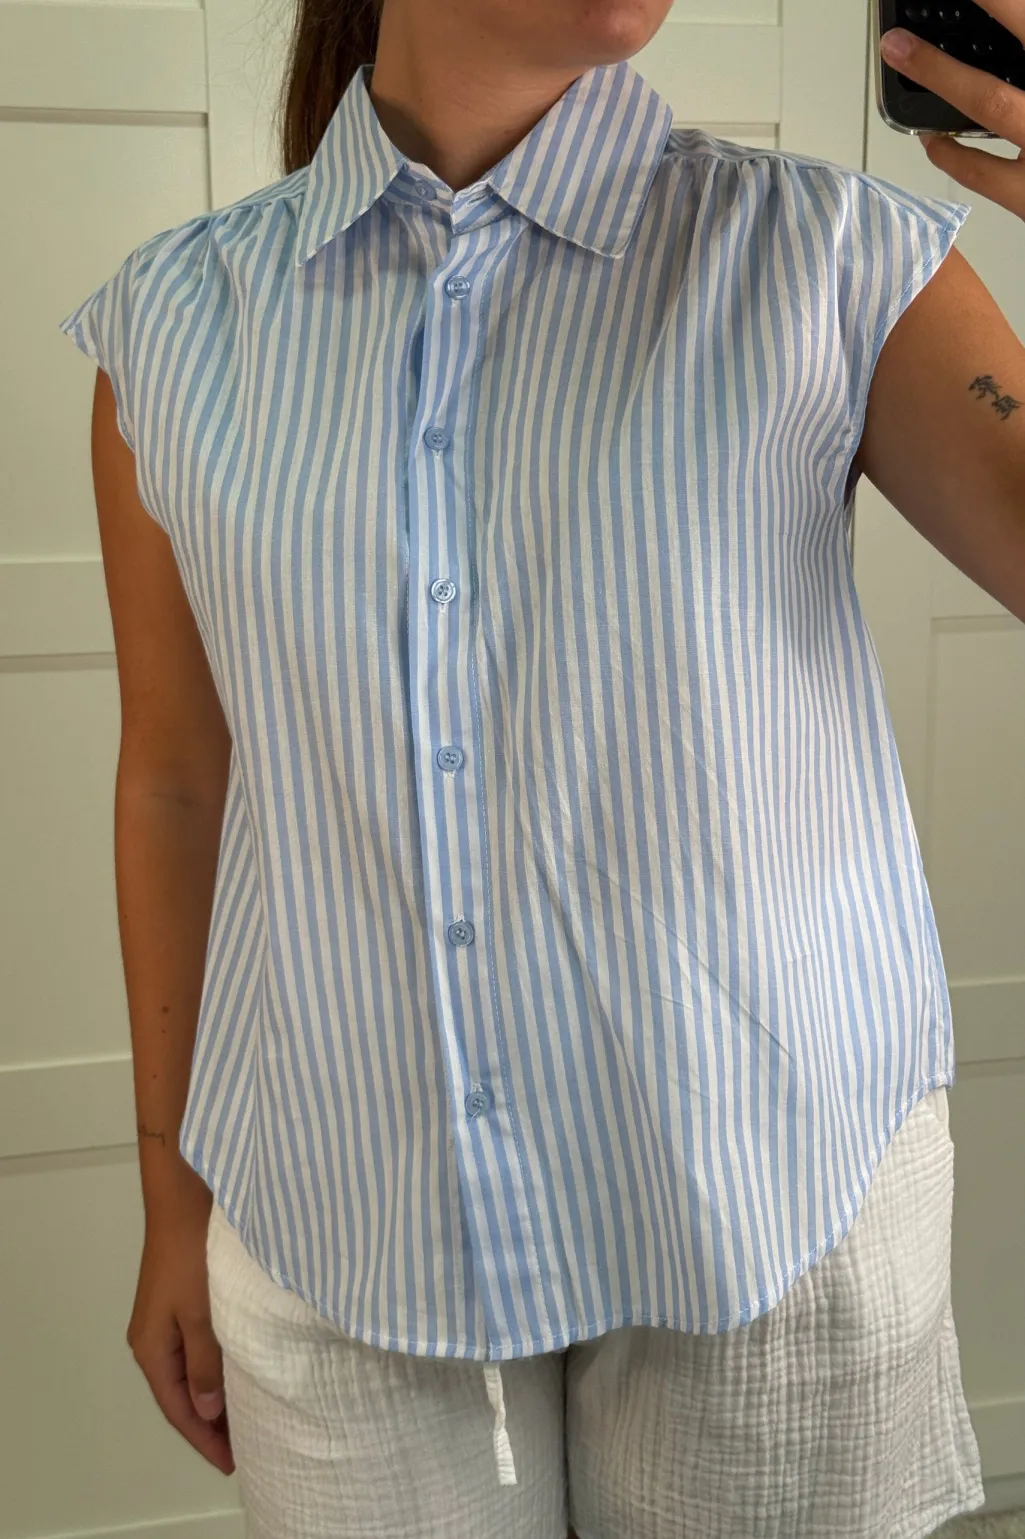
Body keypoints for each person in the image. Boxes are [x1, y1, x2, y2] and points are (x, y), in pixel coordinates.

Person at [59, 1, 1025, 1534]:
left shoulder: (831, 258)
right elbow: (180, 779)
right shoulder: (176, 325)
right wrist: (172, 1193)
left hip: (775, 1197)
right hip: (336, 1208)